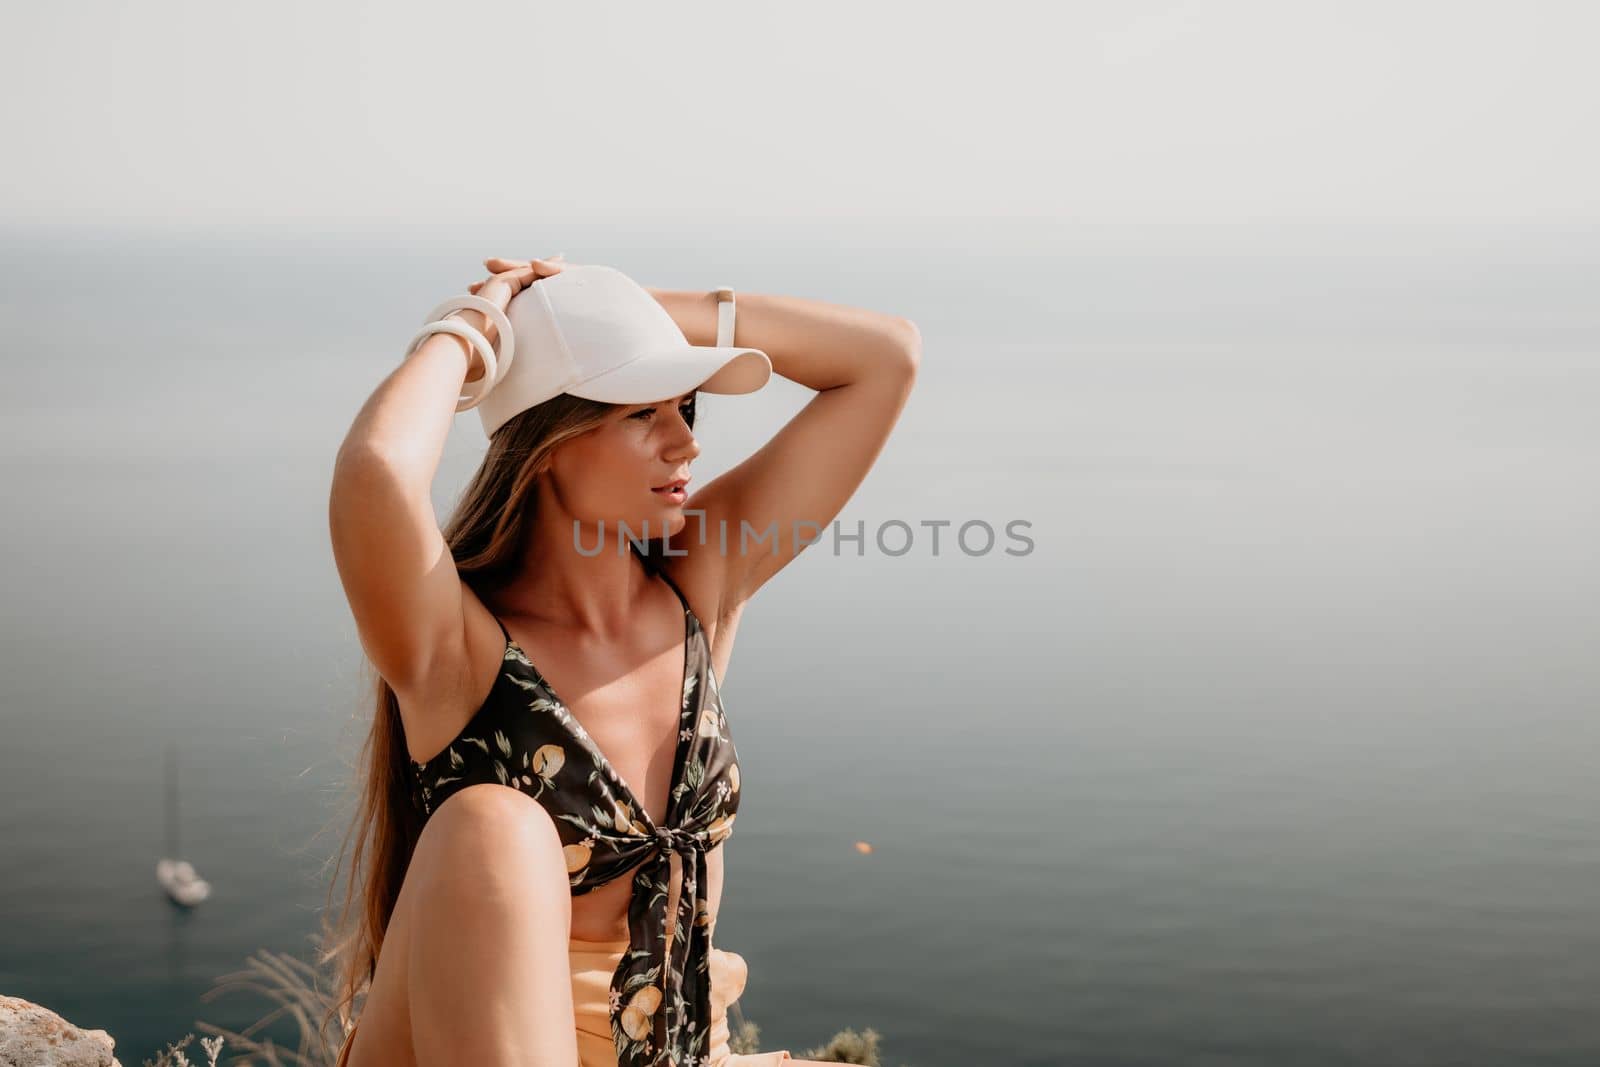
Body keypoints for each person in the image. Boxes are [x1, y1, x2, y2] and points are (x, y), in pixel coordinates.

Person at [320, 252, 921, 1067]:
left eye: (685, 407)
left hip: (681, 1052)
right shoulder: (454, 650)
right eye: (642, 413)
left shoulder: (698, 589)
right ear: (548, 441)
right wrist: (483, 330)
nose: (685, 444)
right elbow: (378, 473)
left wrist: (600, 306)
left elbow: (885, 358)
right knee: (492, 824)